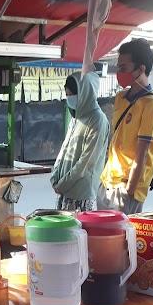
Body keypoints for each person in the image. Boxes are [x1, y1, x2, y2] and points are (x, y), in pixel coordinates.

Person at [99, 38, 153, 214]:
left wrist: (129, 190)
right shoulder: (121, 98)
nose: (119, 72)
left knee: (120, 239)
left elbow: (141, 154)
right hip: (108, 180)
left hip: (126, 186)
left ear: (141, 69)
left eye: (123, 68)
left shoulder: (151, 104)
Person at [50, 71, 110, 211]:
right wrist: (55, 176)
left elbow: (86, 163)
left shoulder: (97, 120)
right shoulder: (76, 117)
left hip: (81, 196)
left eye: (72, 95)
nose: (69, 99)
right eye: (67, 95)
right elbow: (65, 150)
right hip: (65, 192)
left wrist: (62, 184)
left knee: (78, 232)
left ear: (84, 93)